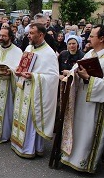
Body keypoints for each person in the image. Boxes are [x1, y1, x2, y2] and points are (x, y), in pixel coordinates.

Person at [60, 25, 104, 173]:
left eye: (92, 36)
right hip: (81, 99)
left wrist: (89, 78)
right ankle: (70, 157)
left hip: (96, 105)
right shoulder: (90, 53)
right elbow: (76, 69)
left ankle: (84, 162)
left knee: (88, 132)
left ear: (102, 39)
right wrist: (71, 74)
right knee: (78, 130)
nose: (88, 38)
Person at [11, 23, 59, 158]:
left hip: (35, 92)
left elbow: (53, 77)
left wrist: (34, 76)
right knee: (21, 117)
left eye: (32, 33)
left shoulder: (49, 53)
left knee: (30, 120)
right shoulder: (28, 47)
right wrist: (18, 70)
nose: (28, 35)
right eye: (29, 33)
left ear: (41, 35)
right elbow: (23, 65)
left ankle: (30, 148)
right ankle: (18, 144)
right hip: (23, 88)